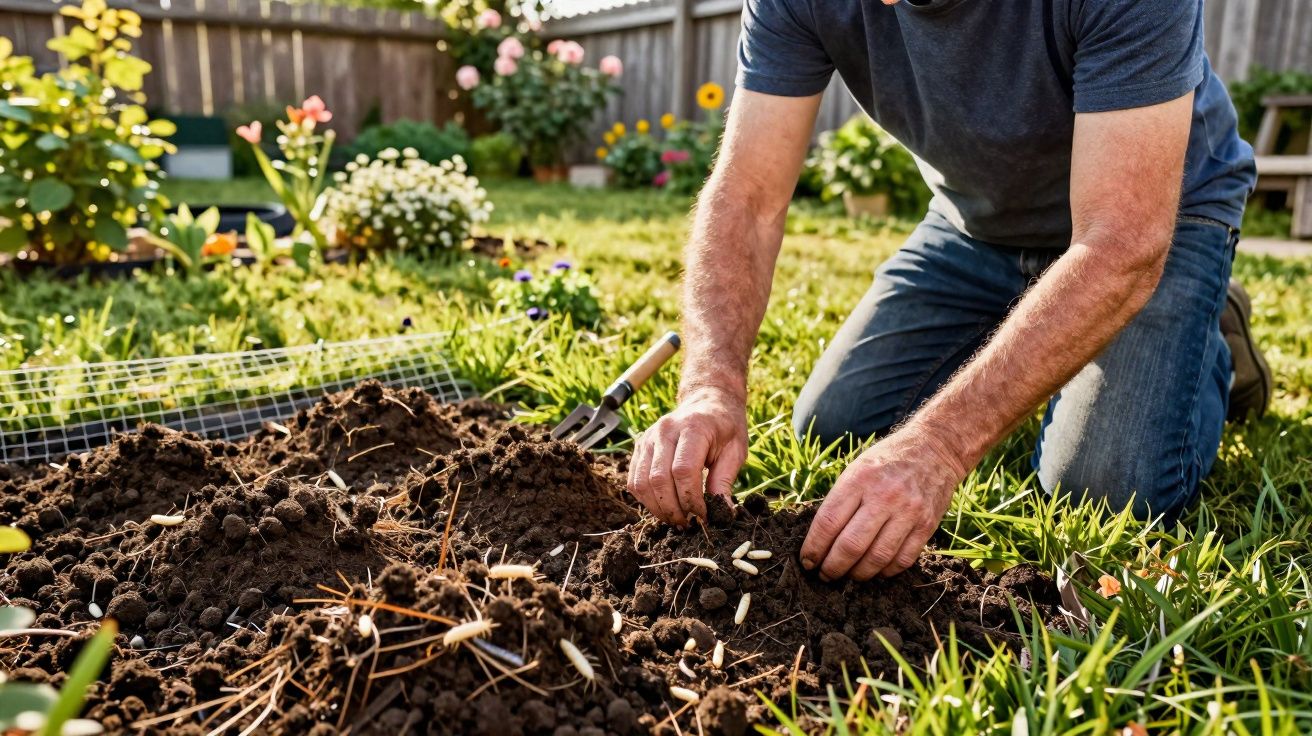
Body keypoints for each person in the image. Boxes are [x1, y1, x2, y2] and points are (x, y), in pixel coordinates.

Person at [625, 0, 1271, 582]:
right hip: (976, 227)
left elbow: (1119, 244)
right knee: (834, 424)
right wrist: (710, 384)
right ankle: (1064, 320)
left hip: (1153, 223)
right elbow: (747, 197)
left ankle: (1206, 338)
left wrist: (938, 447)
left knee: (1098, 489)